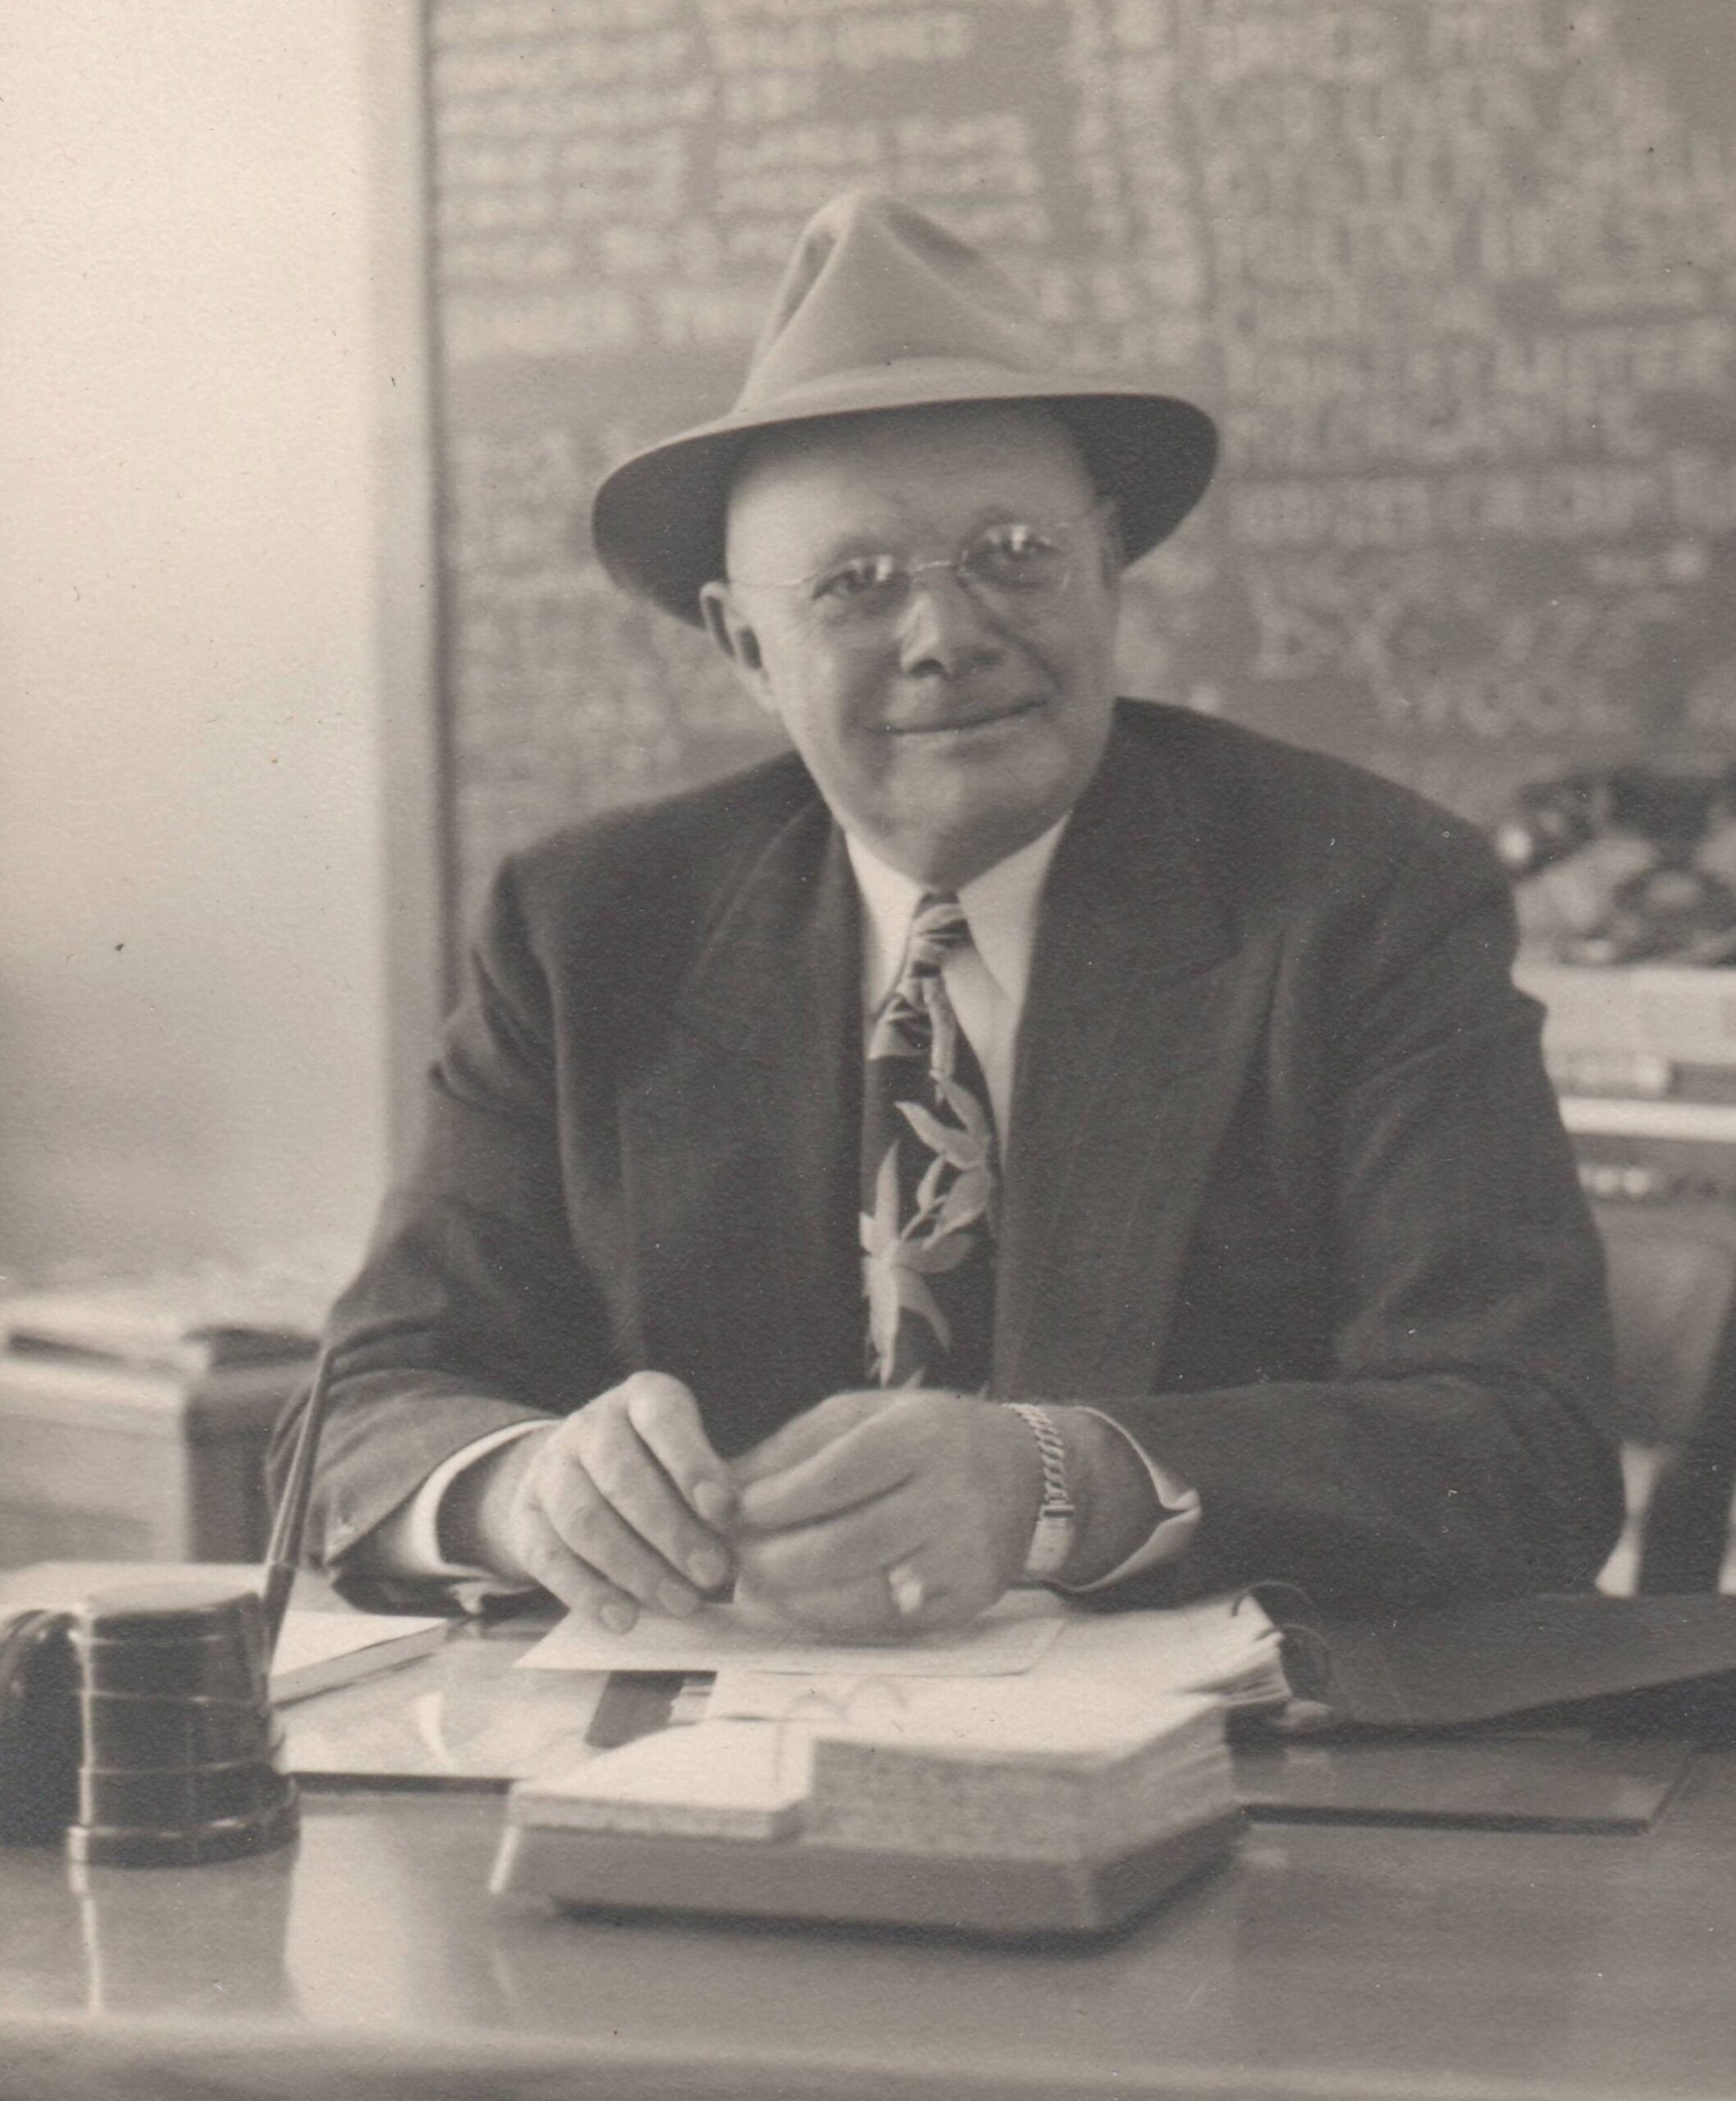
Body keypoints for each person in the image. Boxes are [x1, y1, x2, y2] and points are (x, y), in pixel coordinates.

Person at [271, 192, 1623, 1639]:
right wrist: (525, 1489)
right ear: (745, 645)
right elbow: (360, 1414)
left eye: (1016, 552)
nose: (947, 636)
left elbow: (1528, 1446)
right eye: (855, 586)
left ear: (1108, 573)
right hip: (708, 1741)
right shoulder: (584, 929)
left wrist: (1061, 1483)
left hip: (1228, 1749)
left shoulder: (1365, 892)